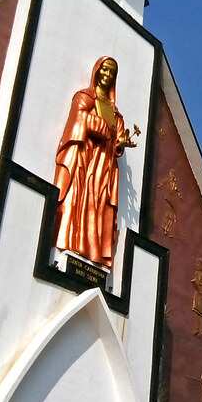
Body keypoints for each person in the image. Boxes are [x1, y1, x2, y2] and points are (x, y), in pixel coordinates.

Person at [53, 57, 137, 268]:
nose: (108, 75)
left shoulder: (116, 112)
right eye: (105, 70)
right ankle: (72, 241)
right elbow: (80, 121)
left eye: (112, 73)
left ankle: (92, 250)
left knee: (98, 206)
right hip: (86, 160)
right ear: (97, 71)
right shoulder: (84, 98)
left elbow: (116, 137)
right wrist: (103, 128)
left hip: (105, 166)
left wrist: (121, 143)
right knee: (80, 199)